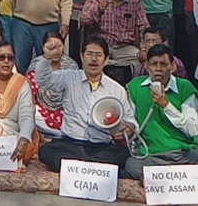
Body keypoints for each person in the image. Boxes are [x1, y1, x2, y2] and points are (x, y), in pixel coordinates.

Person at [123, 43, 198, 182]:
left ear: (173, 66)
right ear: (146, 66)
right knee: (131, 165)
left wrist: (166, 105)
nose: (158, 69)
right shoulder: (135, 87)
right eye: (154, 64)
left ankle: (161, 178)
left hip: (185, 154)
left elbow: (192, 130)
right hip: (153, 155)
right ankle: (185, 177)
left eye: (163, 64)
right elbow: (132, 123)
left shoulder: (185, 87)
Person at [33, 36, 136, 170]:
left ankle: (75, 167)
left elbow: (130, 120)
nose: (93, 59)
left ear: (106, 60)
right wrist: (47, 57)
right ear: (82, 57)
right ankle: (93, 168)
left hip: (101, 145)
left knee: (123, 155)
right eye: (89, 54)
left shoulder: (117, 89)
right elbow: (42, 81)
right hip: (71, 143)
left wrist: (128, 129)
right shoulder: (69, 77)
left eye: (98, 55)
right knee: (46, 151)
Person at [79, 0, 147, 87]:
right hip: (102, 44)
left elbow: (143, 26)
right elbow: (84, 19)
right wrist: (98, 11)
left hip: (124, 47)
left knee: (144, 59)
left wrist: (144, 48)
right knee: (91, 58)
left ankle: (133, 89)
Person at [28, 31, 78, 139]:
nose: (55, 51)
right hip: (41, 109)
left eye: (59, 46)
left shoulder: (72, 65)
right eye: (51, 47)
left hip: (64, 109)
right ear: (43, 47)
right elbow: (30, 91)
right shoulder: (36, 63)